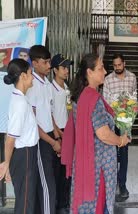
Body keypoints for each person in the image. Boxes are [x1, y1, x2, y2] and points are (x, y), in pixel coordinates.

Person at [61, 53, 130, 214]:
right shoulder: (94, 99)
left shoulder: (80, 96)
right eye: (100, 68)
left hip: (84, 164)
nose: (105, 71)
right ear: (89, 72)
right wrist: (120, 140)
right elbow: (103, 134)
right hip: (98, 169)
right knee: (98, 206)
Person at [26, 45, 61, 214]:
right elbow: (33, 122)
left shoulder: (46, 83)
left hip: (49, 137)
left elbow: (49, 114)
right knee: (47, 186)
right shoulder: (31, 85)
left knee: (49, 183)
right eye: (45, 62)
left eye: (49, 62)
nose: (49, 66)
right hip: (40, 140)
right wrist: (52, 142)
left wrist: (57, 136)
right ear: (34, 63)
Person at [0, 59, 38, 213]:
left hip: (26, 154)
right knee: (25, 202)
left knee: (26, 199)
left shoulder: (21, 99)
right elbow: (10, 139)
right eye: (30, 73)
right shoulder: (19, 103)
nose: (33, 77)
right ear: (23, 76)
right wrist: (6, 164)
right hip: (25, 155)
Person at [102, 53, 137, 200]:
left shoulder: (132, 78)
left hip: (126, 123)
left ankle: (122, 185)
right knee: (110, 154)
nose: (117, 68)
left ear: (124, 63)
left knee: (124, 155)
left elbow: (134, 99)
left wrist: (130, 117)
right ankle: (110, 183)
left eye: (119, 65)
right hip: (111, 121)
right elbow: (105, 100)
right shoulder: (108, 79)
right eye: (114, 66)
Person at [50, 53, 74, 212]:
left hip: (68, 132)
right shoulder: (50, 89)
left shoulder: (66, 88)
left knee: (68, 171)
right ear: (55, 70)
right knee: (57, 171)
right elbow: (48, 115)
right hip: (56, 133)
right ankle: (58, 205)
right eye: (63, 68)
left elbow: (69, 110)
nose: (67, 71)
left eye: (67, 68)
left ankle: (65, 203)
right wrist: (59, 135)